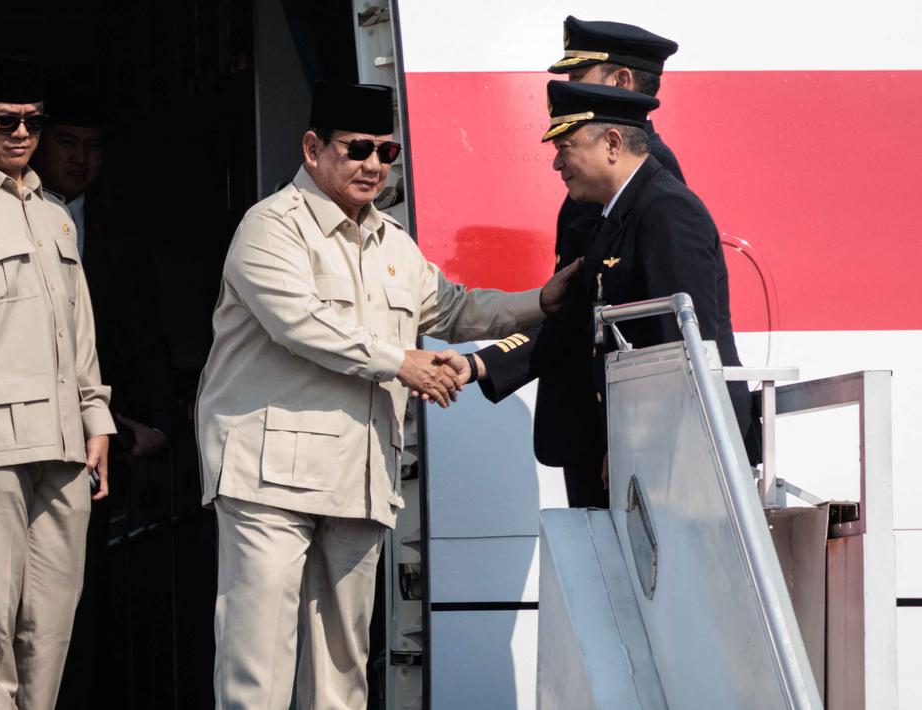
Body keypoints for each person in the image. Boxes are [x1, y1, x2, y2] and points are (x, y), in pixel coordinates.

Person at [195, 81, 579, 708]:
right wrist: (403, 363)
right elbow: (300, 322)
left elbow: (454, 308)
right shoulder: (270, 227)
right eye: (358, 149)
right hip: (269, 480)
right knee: (256, 667)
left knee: (342, 670)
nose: (374, 164)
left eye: (387, 151)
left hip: (359, 477)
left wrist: (539, 302)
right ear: (313, 148)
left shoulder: (393, 243)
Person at [468, 81, 751, 506]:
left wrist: (641, 446)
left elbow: (682, 347)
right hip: (635, 445)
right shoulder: (615, 216)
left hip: (680, 452)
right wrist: (477, 365)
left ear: (613, 143)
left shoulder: (667, 212)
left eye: (565, 147)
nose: (557, 164)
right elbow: (580, 326)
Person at [0, 52, 114, 709]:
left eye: (32, 123)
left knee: (51, 620)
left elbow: (80, 330)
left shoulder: (53, 212)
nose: (20, 133)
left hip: (65, 442)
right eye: (4, 120)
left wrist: (97, 417)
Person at [474, 17, 692, 508]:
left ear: (620, 83)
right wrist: (480, 363)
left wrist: (631, 441)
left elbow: (653, 327)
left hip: (610, 427)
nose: (566, 92)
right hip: (595, 422)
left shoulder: (644, 184)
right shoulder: (608, 182)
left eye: (578, 79)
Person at [32, 83, 176, 709]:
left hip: (104, 437)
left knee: (91, 593)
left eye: (92, 146)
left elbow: (146, 332)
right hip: (19, 432)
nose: (79, 158)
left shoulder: (120, 228)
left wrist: (157, 421)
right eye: (66, 142)